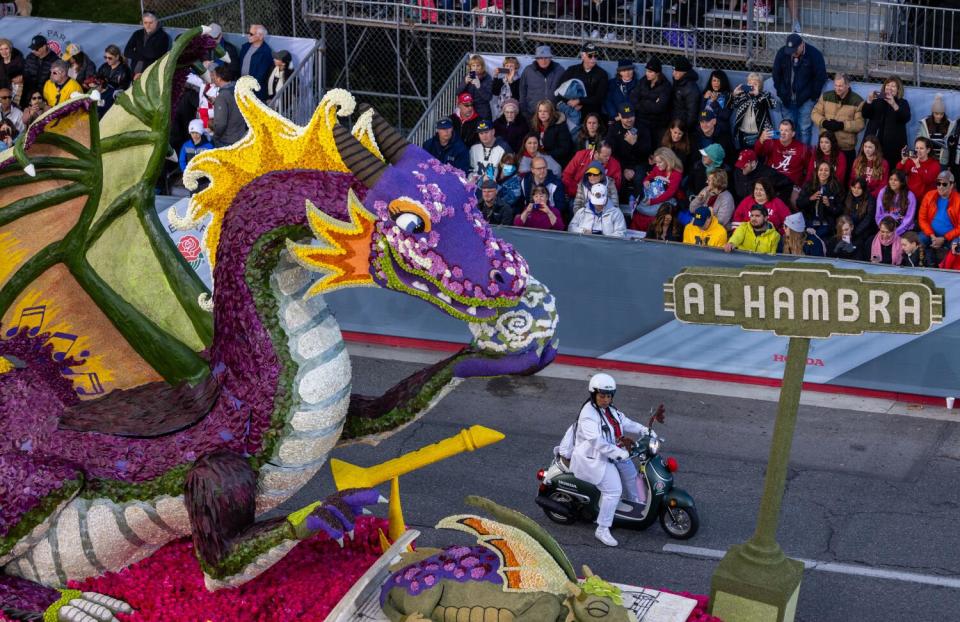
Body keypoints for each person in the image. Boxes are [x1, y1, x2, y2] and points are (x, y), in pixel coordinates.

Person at [566, 374, 648, 547]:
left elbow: (623, 421)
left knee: (632, 475)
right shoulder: (588, 414)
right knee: (613, 491)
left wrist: (644, 430)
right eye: (602, 395)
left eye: (609, 396)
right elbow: (597, 442)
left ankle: (636, 504)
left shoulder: (609, 409)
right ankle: (602, 528)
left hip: (613, 451)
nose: (606, 399)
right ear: (593, 395)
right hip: (594, 458)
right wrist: (619, 453)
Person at [772, 33, 827, 146]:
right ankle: (788, 156)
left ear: (802, 44)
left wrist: (813, 96)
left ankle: (803, 157)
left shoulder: (814, 54)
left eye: (795, 50)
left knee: (804, 130)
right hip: (786, 99)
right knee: (788, 129)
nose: (793, 53)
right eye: (791, 50)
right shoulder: (783, 53)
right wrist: (780, 92)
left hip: (806, 100)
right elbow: (776, 74)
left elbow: (821, 77)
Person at [811, 72, 864, 174]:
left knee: (844, 176)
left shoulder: (857, 101)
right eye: (835, 85)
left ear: (847, 85)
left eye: (840, 86)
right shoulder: (826, 96)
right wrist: (824, 122)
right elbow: (814, 113)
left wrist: (842, 125)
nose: (837, 88)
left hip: (845, 147)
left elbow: (860, 124)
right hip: (826, 146)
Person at [862, 76, 911, 171]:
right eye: (887, 85)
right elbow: (865, 114)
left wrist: (893, 104)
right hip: (875, 143)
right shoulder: (877, 101)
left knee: (892, 171)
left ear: (898, 89)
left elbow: (905, 118)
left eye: (893, 86)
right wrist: (869, 101)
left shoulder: (902, 102)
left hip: (893, 147)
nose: (889, 88)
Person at [756, 118, 812, 197]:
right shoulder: (771, 143)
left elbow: (810, 169)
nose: (783, 133)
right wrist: (761, 140)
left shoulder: (803, 148)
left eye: (786, 130)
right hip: (772, 183)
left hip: (791, 186)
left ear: (793, 134)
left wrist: (803, 186)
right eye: (781, 130)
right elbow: (757, 154)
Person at [630, 147, 683, 230]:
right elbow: (649, 177)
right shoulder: (657, 168)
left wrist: (652, 202)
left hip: (668, 200)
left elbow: (669, 194)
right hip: (654, 196)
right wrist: (646, 181)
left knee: (654, 210)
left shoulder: (676, 174)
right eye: (656, 162)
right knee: (640, 207)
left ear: (667, 160)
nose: (657, 165)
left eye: (659, 162)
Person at [607, 102, 650, 199]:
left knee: (639, 180)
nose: (629, 119)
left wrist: (634, 144)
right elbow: (611, 153)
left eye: (631, 116)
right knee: (618, 179)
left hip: (639, 163)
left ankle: (639, 206)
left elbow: (646, 152)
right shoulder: (614, 129)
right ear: (619, 116)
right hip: (621, 163)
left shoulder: (642, 127)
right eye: (626, 117)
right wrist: (624, 168)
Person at [629, 56, 672, 148]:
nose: (647, 74)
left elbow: (659, 107)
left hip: (657, 123)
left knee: (654, 148)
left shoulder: (665, 86)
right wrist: (651, 102)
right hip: (641, 120)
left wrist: (642, 102)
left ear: (657, 73)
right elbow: (633, 97)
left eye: (650, 72)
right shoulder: (643, 81)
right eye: (647, 71)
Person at [558, 42, 609, 119]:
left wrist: (580, 101)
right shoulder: (572, 70)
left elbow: (599, 97)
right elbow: (559, 88)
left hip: (591, 114)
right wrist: (569, 102)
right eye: (590, 55)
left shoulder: (602, 74)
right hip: (570, 110)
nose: (593, 58)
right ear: (582, 56)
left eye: (596, 56)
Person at [918, 170, 960, 258]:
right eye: (938, 183)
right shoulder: (929, 196)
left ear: (951, 185)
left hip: (951, 237)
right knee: (919, 240)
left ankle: (950, 269)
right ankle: (929, 265)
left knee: (957, 246)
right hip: (931, 234)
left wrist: (944, 238)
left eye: (944, 184)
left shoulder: (958, 200)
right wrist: (932, 235)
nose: (941, 187)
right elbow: (922, 219)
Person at [797, 161, 844, 238]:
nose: (823, 172)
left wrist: (829, 205)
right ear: (817, 171)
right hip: (809, 221)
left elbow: (840, 210)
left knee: (816, 237)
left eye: (826, 170)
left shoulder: (836, 187)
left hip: (826, 223)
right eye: (820, 170)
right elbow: (799, 204)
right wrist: (810, 199)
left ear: (830, 172)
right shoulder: (808, 185)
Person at [730, 72, 774, 149]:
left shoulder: (765, 95)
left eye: (755, 84)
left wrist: (757, 95)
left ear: (760, 86)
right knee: (745, 154)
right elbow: (732, 105)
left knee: (759, 154)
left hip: (759, 133)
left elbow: (772, 104)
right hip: (743, 133)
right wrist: (734, 94)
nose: (752, 86)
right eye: (750, 83)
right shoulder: (742, 95)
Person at [518, 45, 564, 118]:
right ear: (536, 59)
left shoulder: (559, 70)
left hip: (554, 112)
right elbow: (522, 90)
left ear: (550, 58)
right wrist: (523, 110)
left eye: (546, 58)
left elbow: (565, 90)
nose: (543, 60)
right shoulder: (528, 71)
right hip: (533, 112)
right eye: (540, 58)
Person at [124, 11, 170, 79]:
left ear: (156, 22)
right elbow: (127, 52)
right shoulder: (137, 34)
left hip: (151, 74)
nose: (148, 25)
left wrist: (137, 52)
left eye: (150, 23)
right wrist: (143, 56)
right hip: (134, 74)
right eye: (145, 23)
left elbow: (155, 55)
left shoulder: (163, 36)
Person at [520, 156, 569, 221]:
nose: (542, 171)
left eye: (544, 167)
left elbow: (560, 207)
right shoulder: (525, 181)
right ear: (532, 170)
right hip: (530, 214)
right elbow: (522, 201)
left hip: (549, 215)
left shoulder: (556, 184)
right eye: (539, 168)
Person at [211, 64, 246, 147]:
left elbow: (220, 124)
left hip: (226, 141)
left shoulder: (222, 97)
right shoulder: (240, 91)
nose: (212, 78)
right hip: (241, 138)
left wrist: (215, 136)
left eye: (214, 76)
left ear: (219, 78)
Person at [896, 137, 940, 203]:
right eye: (917, 148)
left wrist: (918, 165)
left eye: (921, 148)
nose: (918, 151)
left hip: (925, 200)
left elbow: (928, 181)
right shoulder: (911, 160)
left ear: (928, 150)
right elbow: (898, 173)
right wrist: (903, 161)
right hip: (910, 198)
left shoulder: (934, 164)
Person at [530, 99, 573, 167]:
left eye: (545, 111)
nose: (542, 114)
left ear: (551, 112)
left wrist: (546, 154)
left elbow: (564, 149)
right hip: (539, 158)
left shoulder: (560, 126)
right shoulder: (535, 125)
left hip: (556, 160)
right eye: (540, 111)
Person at [843, 177, 877, 258]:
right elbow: (845, 215)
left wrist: (855, 232)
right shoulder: (849, 197)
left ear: (864, 189)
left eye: (859, 188)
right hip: (851, 228)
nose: (856, 190)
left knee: (858, 243)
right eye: (854, 187)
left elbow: (868, 219)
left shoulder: (870, 199)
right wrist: (848, 229)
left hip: (864, 230)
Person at [875, 170, 916, 236]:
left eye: (895, 180)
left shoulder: (910, 196)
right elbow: (879, 214)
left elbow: (909, 218)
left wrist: (896, 232)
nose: (892, 182)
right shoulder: (883, 192)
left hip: (902, 228)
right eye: (891, 179)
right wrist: (882, 228)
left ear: (902, 182)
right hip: (885, 225)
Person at [239, 24, 273, 101]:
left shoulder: (266, 52)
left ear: (260, 36)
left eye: (251, 34)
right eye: (248, 33)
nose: (248, 35)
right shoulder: (245, 47)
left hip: (256, 93)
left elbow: (261, 75)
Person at [469, 119, 510, 183]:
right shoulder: (474, 148)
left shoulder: (504, 148)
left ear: (493, 132)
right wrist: (471, 179)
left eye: (486, 132)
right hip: (476, 186)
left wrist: (498, 181)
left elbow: (509, 169)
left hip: (495, 187)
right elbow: (470, 169)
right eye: (481, 133)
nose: (484, 136)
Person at [458, 55, 494, 122]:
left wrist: (479, 86)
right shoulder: (467, 76)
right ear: (470, 67)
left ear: (482, 67)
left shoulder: (487, 78)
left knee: (483, 130)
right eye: (473, 65)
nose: (475, 68)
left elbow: (488, 97)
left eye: (478, 66)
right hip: (468, 109)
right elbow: (458, 93)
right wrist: (464, 83)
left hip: (483, 111)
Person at [22, 35, 55, 103]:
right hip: (29, 96)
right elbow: (25, 74)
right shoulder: (30, 57)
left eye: (36, 49)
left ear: (44, 47)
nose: (33, 51)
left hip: (46, 97)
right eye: (32, 48)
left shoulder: (55, 60)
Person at [671, 56, 699, 132]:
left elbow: (692, 115)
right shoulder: (678, 81)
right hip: (674, 123)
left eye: (676, 71)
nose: (673, 74)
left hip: (681, 128)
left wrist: (682, 130)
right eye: (673, 70)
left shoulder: (691, 89)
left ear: (684, 72)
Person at [919, 94, 950, 163]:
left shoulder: (948, 124)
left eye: (941, 114)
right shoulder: (925, 123)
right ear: (932, 113)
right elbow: (919, 140)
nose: (939, 116)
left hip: (942, 159)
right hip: (928, 158)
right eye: (936, 113)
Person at [0, 39, 24, 104]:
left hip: (16, 94)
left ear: (10, 49)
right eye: (1, 49)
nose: (4, 52)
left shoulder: (19, 62)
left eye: (6, 49)